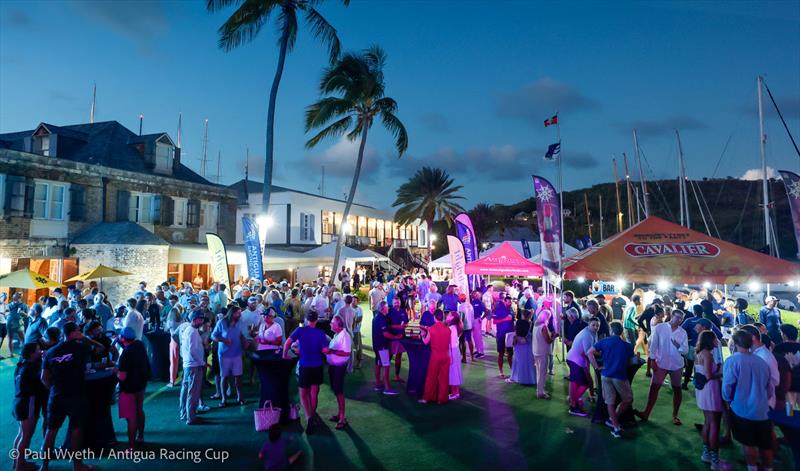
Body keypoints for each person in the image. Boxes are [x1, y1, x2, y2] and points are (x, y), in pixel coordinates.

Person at [40, 322, 101, 471]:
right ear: (73, 333)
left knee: (51, 431)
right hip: (76, 394)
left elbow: (44, 377)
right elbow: (100, 348)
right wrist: (85, 338)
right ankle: (77, 465)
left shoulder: (51, 351)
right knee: (76, 430)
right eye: (78, 331)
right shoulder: (80, 347)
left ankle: (44, 466)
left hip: (57, 395)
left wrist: (53, 389)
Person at [722, 330, 774, 471]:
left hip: (743, 410)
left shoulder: (733, 361)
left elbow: (727, 386)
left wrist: (728, 400)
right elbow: (769, 389)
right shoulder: (761, 362)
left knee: (749, 444)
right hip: (763, 411)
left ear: (735, 343)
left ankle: (752, 468)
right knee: (765, 445)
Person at [636, 309, 687, 425]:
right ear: (671, 316)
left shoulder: (683, 332)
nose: (679, 320)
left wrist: (678, 346)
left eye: (681, 318)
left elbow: (685, 350)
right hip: (661, 363)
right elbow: (653, 344)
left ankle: (675, 415)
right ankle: (646, 412)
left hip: (676, 365)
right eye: (677, 317)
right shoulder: (660, 328)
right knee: (654, 388)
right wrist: (652, 360)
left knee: (677, 389)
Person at [283, 310, 329, 434]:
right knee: (314, 392)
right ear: (316, 320)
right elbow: (325, 350)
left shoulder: (300, 331)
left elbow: (287, 342)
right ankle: (312, 414)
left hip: (305, 365)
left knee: (303, 393)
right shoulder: (321, 333)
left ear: (306, 320)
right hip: (317, 366)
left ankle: (308, 416)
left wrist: (285, 354)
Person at [587, 321, 635, 438]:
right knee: (628, 399)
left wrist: (597, 367)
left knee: (610, 402)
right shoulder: (627, 345)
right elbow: (630, 362)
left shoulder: (604, 341)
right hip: (619, 376)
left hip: (605, 375)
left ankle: (615, 426)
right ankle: (614, 420)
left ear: (611, 330)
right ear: (621, 332)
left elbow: (589, 352)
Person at [12, 342, 48, 471]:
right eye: (38, 350)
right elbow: (41, 382)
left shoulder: (21, 364)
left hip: (18, 401)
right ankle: (20, 466)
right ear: (32, 353)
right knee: (26, 436)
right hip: (28, 404)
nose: (40, 351)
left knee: (21, 434)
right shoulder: (32, 367)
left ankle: (17, 463)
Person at [694, 330, 724, 470]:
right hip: (710, 390)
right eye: (715, 338)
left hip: (702, 390)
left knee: (708, 422)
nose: (716, 340)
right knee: (714, 424)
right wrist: (721, 372)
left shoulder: (699, 353)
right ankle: (715, 460)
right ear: (710, 340)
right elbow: (709, 375)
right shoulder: (707, 354)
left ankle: (706, 453)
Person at [117, 326, 150, 450]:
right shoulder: (139, 345)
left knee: (131, 417)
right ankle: (140, 436)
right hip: (140, 385)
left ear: (122, 338)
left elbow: (123, 377)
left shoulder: (125, 354)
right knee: (139, 410)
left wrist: (116, 371)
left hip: (128, 388)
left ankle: (131, 447)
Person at [212, 305, 248, 406]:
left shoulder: (239, 324)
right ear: (232, 313)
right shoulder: (221, 323)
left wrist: (244, 340)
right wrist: (224, 340)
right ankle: (224, 399)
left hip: (237, 353)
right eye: (238, 313)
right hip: (224, 354)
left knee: (238, 377)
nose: (239, 315)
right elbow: (213, 336)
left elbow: (240, 334)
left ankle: (240, 397)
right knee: (224, 376)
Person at [566, 316, 600, 416]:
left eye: (597, 325)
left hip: (574, 359)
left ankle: (573, 401)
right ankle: (573, 405)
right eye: (593, 325)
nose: (595, 327)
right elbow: (587, 352)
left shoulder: (592, 332)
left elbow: (592, 348)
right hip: (575, 361)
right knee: (585, 383)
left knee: (574, 382)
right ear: (589, 324)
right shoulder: (587, 334)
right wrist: (596, 366)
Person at [179, 311, 207, 425]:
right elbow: (193, 350)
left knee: (186, 390)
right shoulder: (192, 332)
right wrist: (202, 362)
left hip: (188, 365)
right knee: (193, 392)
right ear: (194, 320)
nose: (202, 321)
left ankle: (184, 413)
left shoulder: (188, 330)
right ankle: (191, 418)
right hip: (194, 366)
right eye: (200, 319)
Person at [420, 309, 451, 404]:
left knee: (431, 377)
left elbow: (425, 342)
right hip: (446, 356)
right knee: (444, 378)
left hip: (435, 356)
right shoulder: (448, 329)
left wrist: (422, 335)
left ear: (434, 317)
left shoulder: (431, 329)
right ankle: (442, 399)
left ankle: (428, 398)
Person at [326, 315, 352, 430]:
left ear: (338, 325)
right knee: (337, 391)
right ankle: (340, 414)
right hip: (334, 367)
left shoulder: (344, 336)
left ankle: (342, 418)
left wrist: (331, 350)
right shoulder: (337, 335)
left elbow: (346, 354)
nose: (330, 324)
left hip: (339, 368)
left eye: (332, 323)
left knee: (339, 391)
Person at [371, 301, 401, 395]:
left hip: (376, 345)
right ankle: (387, 388)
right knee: (386, 365)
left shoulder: (377, 317)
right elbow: (385, 334)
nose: (388, 308)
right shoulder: (381, 319)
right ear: (383, 308)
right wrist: (396, 337)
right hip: (382, 346)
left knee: (378, 363)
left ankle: (378, 384)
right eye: (387, 307)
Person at [532, 306, 555, 399]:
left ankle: (540, 389)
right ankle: (540, 392)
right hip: (543, 352)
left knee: (539, 372)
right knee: (542, 373)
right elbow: (548, 340)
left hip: (536, 350)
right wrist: (554, 337)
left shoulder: (535, 325)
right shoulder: (543, 327)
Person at [510, 308, 535, 386]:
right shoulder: (531, 323)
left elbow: (516, 331)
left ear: (523, 315)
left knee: (518, 361)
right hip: (528, 343)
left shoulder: (519, 322)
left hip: (519, 343)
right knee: (528, 362)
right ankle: (529, 378)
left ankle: (517, 377)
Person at [388, 297, 408, 383]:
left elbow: (406, 321)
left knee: (399, 357)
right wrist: (399, 327)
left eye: (398, 302)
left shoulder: (403, 311)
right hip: (392, 338)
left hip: (401, 337)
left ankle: (397, 376)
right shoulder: (389, 312)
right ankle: (385, 377)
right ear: (392, 303)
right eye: (395, 302)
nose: (397, 304)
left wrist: (405, 325)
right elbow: (388, 326)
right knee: (389, 356)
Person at [494, 296, 514, 379]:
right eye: (509, 302)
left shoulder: (511, 309)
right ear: (505, 301)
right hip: (501, 334)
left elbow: (512, 319)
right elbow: (495, 321)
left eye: (511, 302)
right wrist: (505, 319)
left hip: (510, 334)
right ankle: (501, 372)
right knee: (501, 353)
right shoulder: (498, 309)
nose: (510, 303)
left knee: (510, 353)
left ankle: (513, 371)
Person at [447, 310, 463, 400]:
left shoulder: (451, 328)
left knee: (453, 372)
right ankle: (457, 392)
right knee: (456, 371)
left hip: (452, 351)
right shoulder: (457, 327)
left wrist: (450, 356)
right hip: (456, 350)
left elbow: (450, 343)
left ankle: (454, 393)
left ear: (452, 317)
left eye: (449, 315)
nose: (447, 316)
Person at [6, 292, 28, 357]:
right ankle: (11, 353)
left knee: (23, 339)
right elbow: (5, 313)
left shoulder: (24, 305)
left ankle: (22, 352)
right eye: (15, 297)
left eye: (18, 297)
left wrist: (23, 313)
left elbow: (27, 315)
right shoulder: (9, 305)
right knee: (10, 339)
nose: (16, 299)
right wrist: (8, 313)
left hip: (20, 324)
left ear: (20, 298)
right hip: (10, 323)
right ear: (13, 298)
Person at [457, 294, 475, 362]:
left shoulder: (460, 306)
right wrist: (472, 324)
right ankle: (472, 356)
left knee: (462, 341)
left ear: (460, 299)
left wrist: (459, 326)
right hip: (470, 325)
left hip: (463, 326)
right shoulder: (470, 305)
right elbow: (473, 316)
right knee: (470, 340)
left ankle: (464, 357)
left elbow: (461, 318)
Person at [470, 290, 485, 358]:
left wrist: (480, 318)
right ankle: (477, 349)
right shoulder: (472, 302)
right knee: (474, 336)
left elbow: (484, 311)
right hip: (473, 320)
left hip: (477, 320)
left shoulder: (480, 302)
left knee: (478, 336)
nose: (474, 295)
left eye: (476, 294)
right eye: (474, 294)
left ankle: (481, 352)